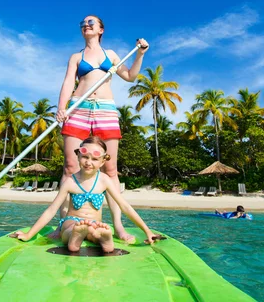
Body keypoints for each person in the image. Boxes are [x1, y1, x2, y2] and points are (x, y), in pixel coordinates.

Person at [54, 15, 149, 243]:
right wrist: (61, 107)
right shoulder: (76, 57)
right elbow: (69, 82)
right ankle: (64, 225)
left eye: (91, 23)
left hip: (106, 111)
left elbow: (130, 76)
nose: (86, 26)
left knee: (110, 170)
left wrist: (140, 54)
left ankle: (118, 226)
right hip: (79, 108)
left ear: (101, 30)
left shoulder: (112, 55)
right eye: (83, 24)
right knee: (70, 167)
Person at [10, 136, 159, 252]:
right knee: (69, 230)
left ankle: (103, 239)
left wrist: (147, 231)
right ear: (78, 157)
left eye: (94, 159)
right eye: (85, 157)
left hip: (94, 223)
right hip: (71, 222)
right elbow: (51, 210)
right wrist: (29, 234)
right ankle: (75, 236)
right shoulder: (70, 181)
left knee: (94, 231)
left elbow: (125, 206)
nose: (89, 162)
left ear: (102, 162)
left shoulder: (104, 180)